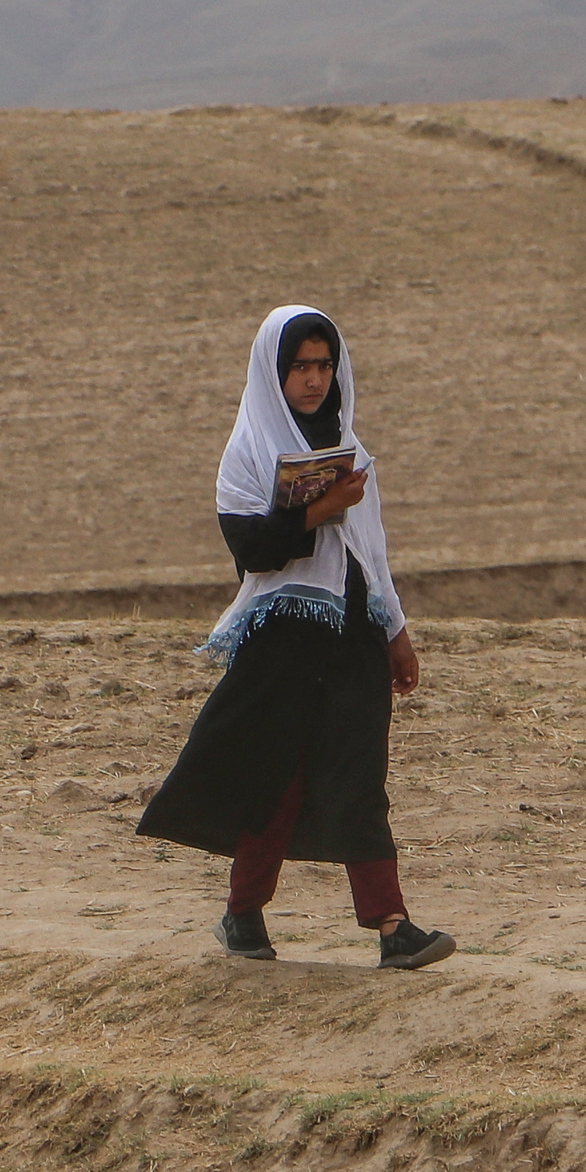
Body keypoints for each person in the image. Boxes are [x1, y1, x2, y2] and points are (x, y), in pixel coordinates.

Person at [134, 305, 455, 970]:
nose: (313, 380)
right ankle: (243, 914)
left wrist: (396, 631)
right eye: (299, 366)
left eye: (323, 365)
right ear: (273, 371)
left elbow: (373, 551)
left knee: (360, 776)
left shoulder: (353, 450)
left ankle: (393, 926)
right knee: (273, 779)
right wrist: (317, 512)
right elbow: (252, 550)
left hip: (353, 635)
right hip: (280, 639)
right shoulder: (248, 450)